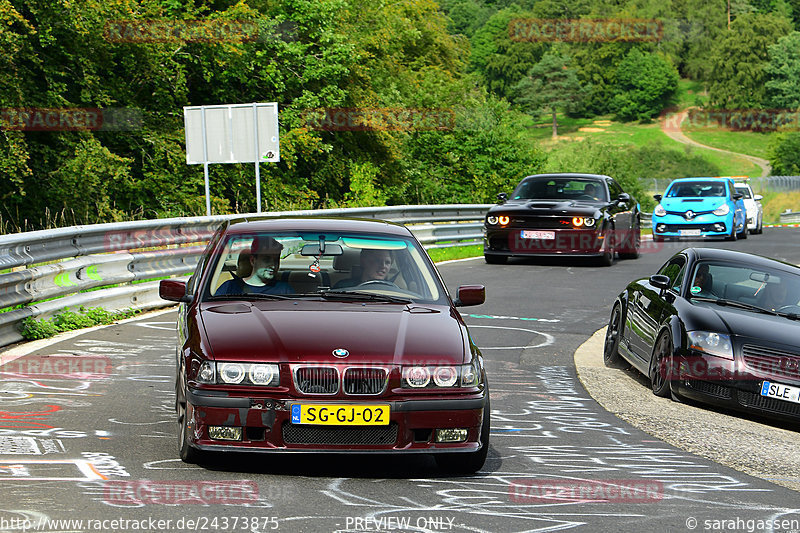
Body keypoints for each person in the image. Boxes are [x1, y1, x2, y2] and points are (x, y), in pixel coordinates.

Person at [215, 236, 293, 295]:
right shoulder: (229, 287)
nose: (273, 266)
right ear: (252, 260)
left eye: (276, 260)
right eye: (267, 259)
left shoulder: (285, 290)